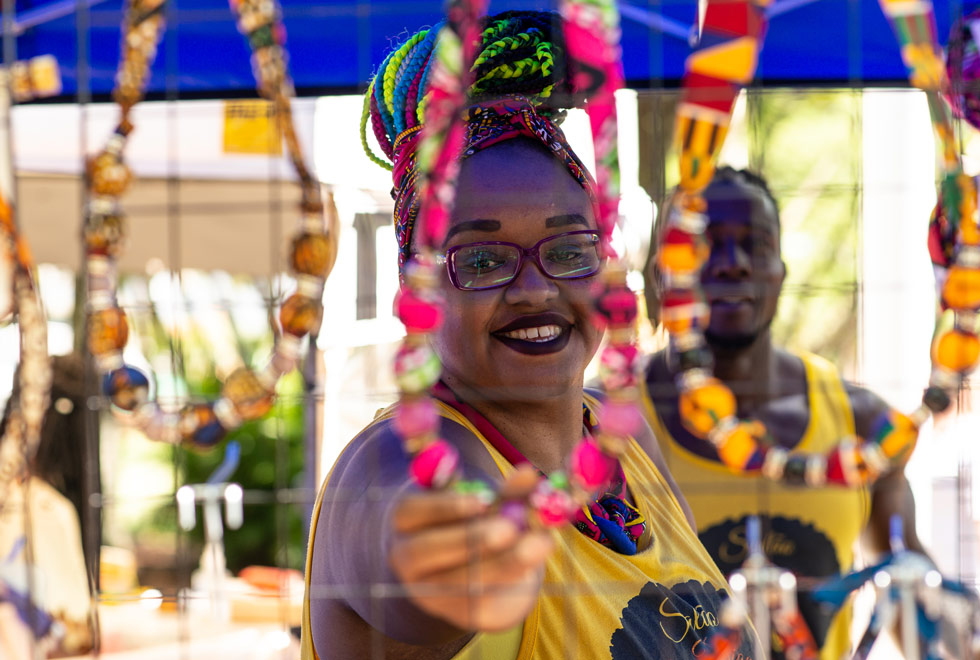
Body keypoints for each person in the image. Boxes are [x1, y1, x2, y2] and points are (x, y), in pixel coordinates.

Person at [301, 12, 755, 660]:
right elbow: (400, 541)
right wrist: (453, 564)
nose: (536, 289)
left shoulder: (625, 443)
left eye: (570, 251)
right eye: (482, 261)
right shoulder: (386, 466)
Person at [640, 166, 926, 660]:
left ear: (781, 267)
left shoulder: (861, 422)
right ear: (663, 269)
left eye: (757, 244)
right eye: (705, 244)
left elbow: (911, 598)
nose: (733, 264)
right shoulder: (610, 427)